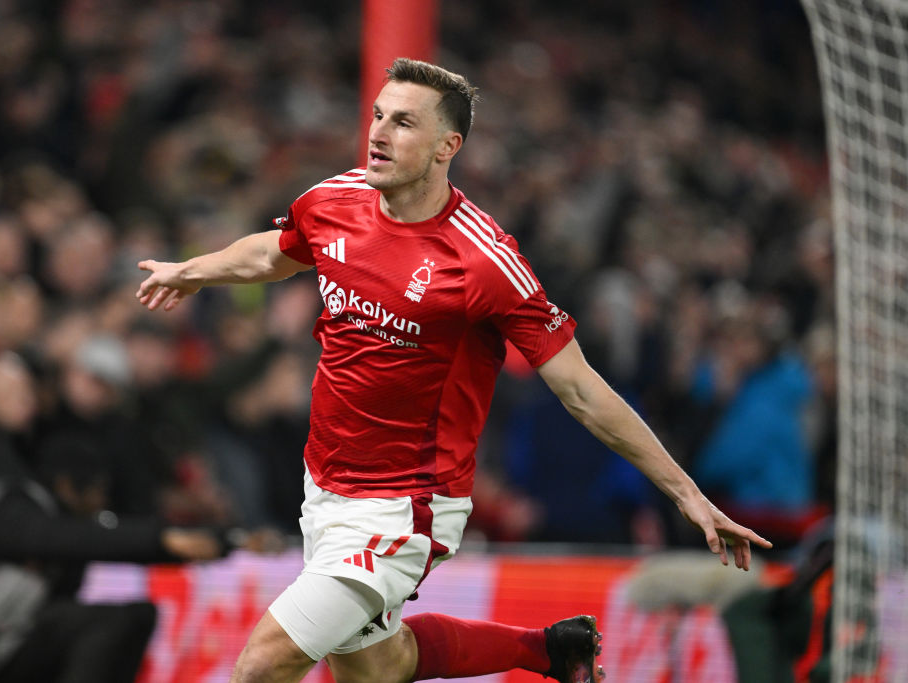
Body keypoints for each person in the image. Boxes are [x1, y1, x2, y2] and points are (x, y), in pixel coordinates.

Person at [136, 58, 772, 683]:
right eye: (379, 116)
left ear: (448, 146)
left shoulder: (483, 259)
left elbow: (580, 388)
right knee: (379, 668)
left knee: (262, 665)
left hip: (406, 506)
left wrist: (687, 494)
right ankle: (548, 650)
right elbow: (276, 254)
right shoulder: (333, 201)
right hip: (325, 483)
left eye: (404, 123)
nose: (380, 133)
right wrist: (190, 271)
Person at [0, 429, 241, 683]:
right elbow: (68, 538)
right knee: (106, 622)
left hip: (23, 648)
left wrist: (211, 541)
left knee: (138, 615)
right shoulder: (7, 509)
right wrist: (162, 540)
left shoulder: (56, 518)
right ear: (66, 486)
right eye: (97, 491)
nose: (101, 502)